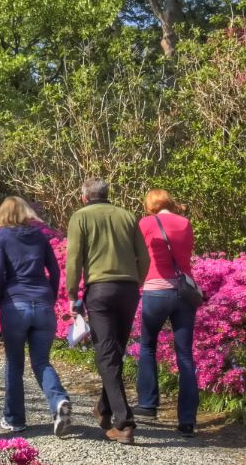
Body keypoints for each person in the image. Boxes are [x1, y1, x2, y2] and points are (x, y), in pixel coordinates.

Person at [65, 178, 148, 444]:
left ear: (84, 197)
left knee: (107, 356)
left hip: (100, 290)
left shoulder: (80, 217)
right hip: (128, 290)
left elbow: (74, 258)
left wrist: (71, 294)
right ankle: (104, 408)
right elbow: (144, 258)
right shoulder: (127, 216)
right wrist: (138, 281)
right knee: (114, 353)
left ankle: (124, 423)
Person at [0, 195, 74, 436]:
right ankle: (59, 402)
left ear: (3, 214)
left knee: (14, 363)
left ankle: (15, 419)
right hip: (43, 304)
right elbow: (55, 270)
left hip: (15, 304)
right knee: (41, 361)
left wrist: (1, 297)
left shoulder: (0, 237)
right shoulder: (39, 236)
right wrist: (51, 295)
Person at [135, 188, 199, 436]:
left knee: (148, 346)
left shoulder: (145, 223)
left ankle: (148, 404)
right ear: (170, 202)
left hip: (156, 291)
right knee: (185, 356)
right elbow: (186, 254)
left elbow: (139, 255)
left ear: (150, 205)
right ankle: (187, 421)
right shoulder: (185, 223)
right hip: (184, 293)